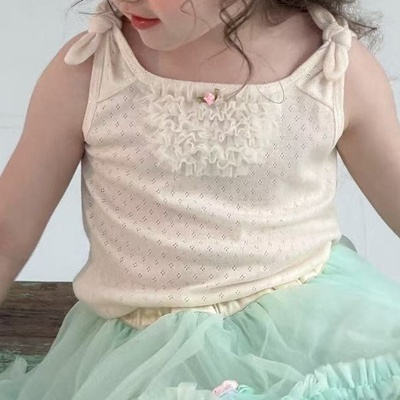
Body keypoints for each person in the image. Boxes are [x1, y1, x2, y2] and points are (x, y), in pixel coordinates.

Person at [0, 0, 399, 398]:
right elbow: (7, 235)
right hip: (147, 355)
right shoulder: (92, 72)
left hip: (310, 333)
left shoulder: (331, 68)